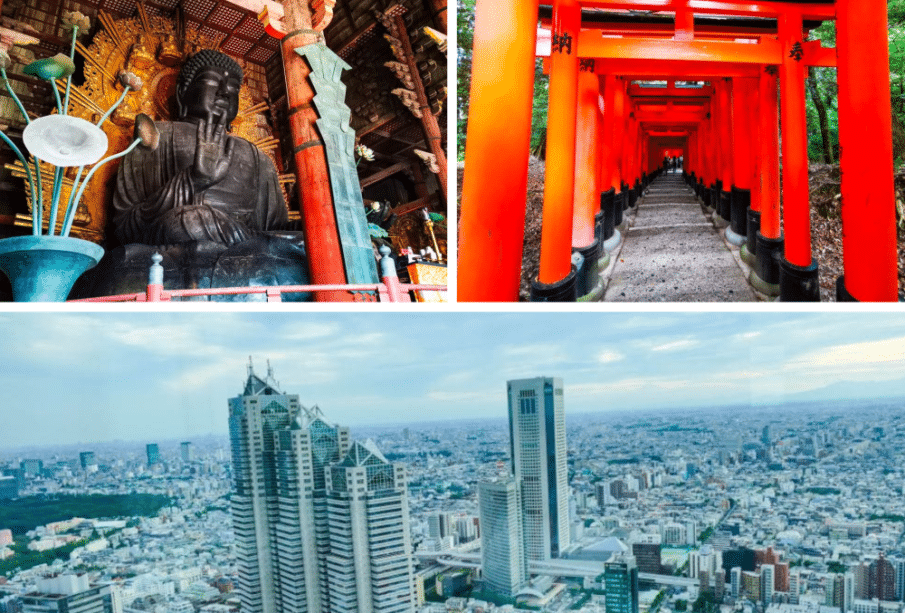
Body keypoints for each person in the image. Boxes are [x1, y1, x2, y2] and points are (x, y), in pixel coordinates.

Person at [83, 50, 310, 300]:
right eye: (212, 83)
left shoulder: (258, 157)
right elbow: (125, 228)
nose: (224, 93)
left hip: (250, 247)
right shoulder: (155, 136)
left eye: (233, 88)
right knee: (191, 219)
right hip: (172, 238)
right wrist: (193, 180)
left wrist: (308, 226)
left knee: (306, 240)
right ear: (182, 94)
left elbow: (275, 229)